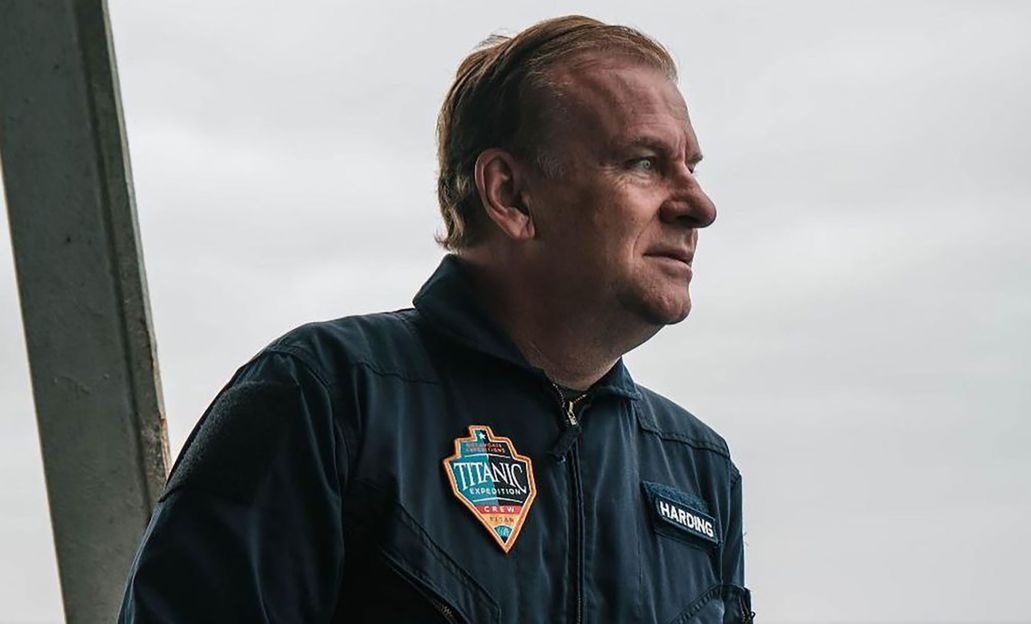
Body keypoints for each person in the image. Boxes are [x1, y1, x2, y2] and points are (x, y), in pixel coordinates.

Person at [119, 14, 753, 623]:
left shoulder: (698, 470)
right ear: (510, 194)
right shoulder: (325, 399)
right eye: (643, 162)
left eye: (690, 168)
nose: (699, 206)